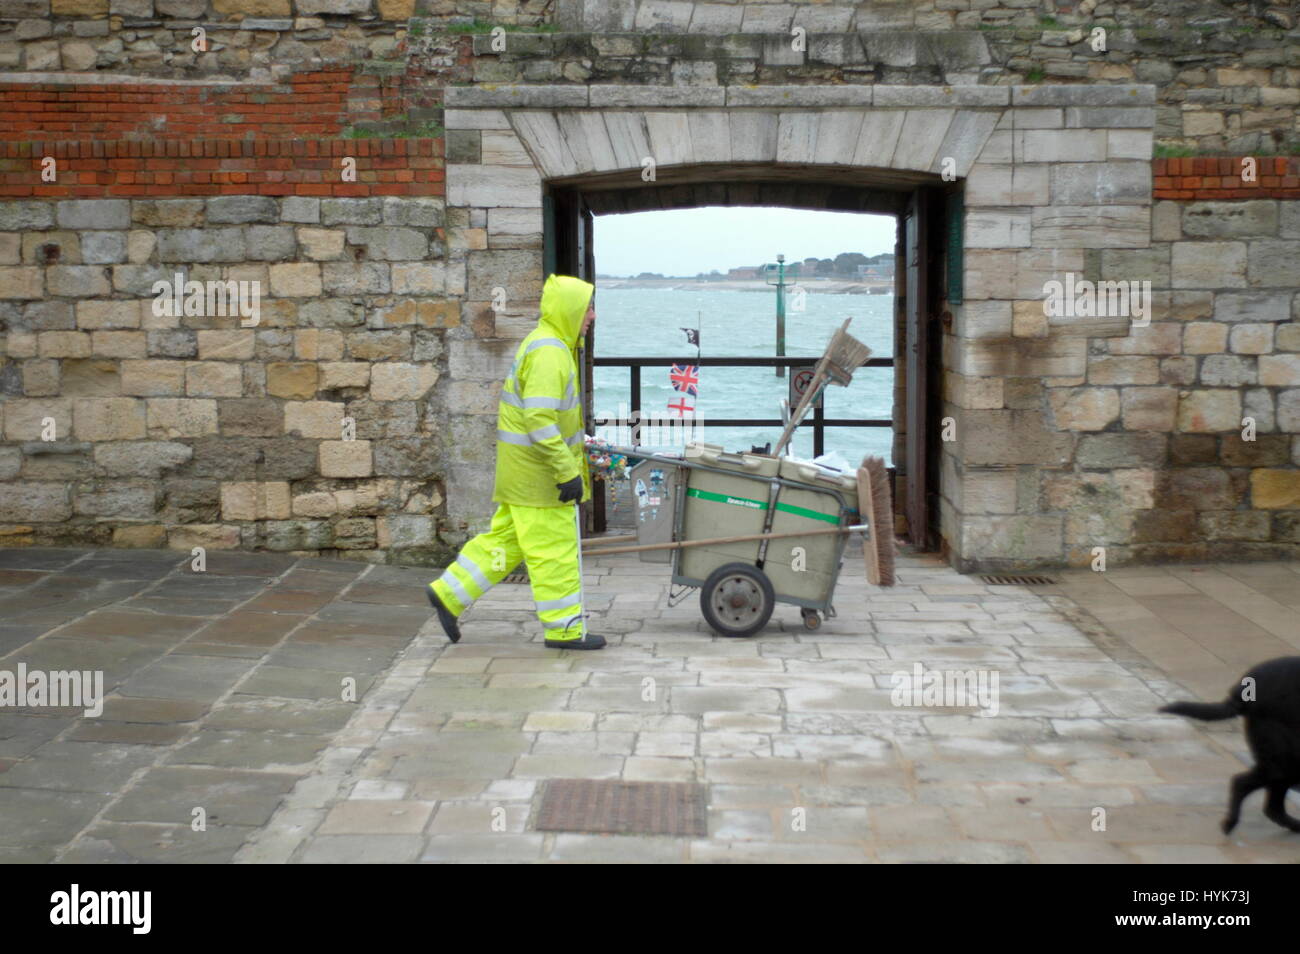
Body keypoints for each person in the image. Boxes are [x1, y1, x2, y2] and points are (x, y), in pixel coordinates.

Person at [426, 274, 605, 650]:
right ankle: (565, 630)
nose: (592, 315)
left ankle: (449, 593)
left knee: (505, 543)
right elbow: (539, 419)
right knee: (554, 552)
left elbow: (542, 415)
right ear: (571, 309)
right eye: (588, 307)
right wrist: (566, 471)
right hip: (542, 480)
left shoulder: (544, 344)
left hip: (523, 474)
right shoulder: (550, 353)